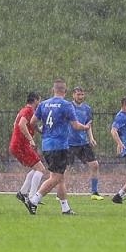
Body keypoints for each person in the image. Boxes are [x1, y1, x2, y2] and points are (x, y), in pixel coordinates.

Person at [31, 79, 86, 216]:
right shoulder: (66, 105)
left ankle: (65, 208)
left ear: (53, 90)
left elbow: (32, 122)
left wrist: (40, 131)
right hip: (59, 146)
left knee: (60, 178)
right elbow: (75, 125)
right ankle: (34, 200)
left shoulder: (43, 104)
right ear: (65, 91)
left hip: (46, 145)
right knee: (56, 178)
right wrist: (85, 127)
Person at [10, 91, 47, 214]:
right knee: (41, 169)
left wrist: (39, 130)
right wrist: (30, 139)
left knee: (37, 168)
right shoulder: (29, 110)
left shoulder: (24, 110)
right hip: (21, 146)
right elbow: (21, 124)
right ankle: (31, 198)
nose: (40, 103)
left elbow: (28, 124)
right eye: (39, 101)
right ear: (35, 100)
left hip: (18, 145)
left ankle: (23, 193)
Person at [69, 86, 103, 199]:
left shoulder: (87, 108)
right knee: (63, 168)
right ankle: (61, 192)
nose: (80, 97)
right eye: (78, 94)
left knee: (94, 165)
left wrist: (91, 138)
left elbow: (88, 125)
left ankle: (94, 192)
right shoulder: (69, 107)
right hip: (69, 142)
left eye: (82, 94)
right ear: (73, 95)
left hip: (83, 142)